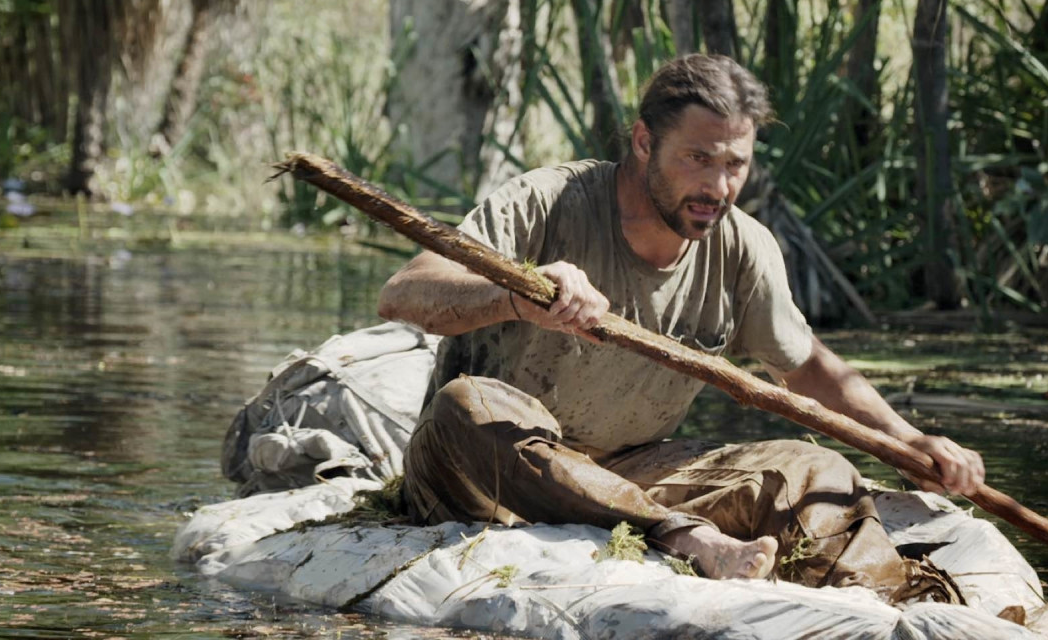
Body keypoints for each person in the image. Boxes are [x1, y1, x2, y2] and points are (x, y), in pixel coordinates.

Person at [377, 54, 984, 598]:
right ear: (643, 142)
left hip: (633, 470)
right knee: (467, 404)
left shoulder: (744, 247)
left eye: (734, 165)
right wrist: (515, 294)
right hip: (485, 468)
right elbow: (403, 295)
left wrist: (909, 444)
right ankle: (685, 540)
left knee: (815, 469)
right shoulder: (547, 201)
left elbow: (806, 368)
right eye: (697, 159)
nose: (717, 188)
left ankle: (888, 604)